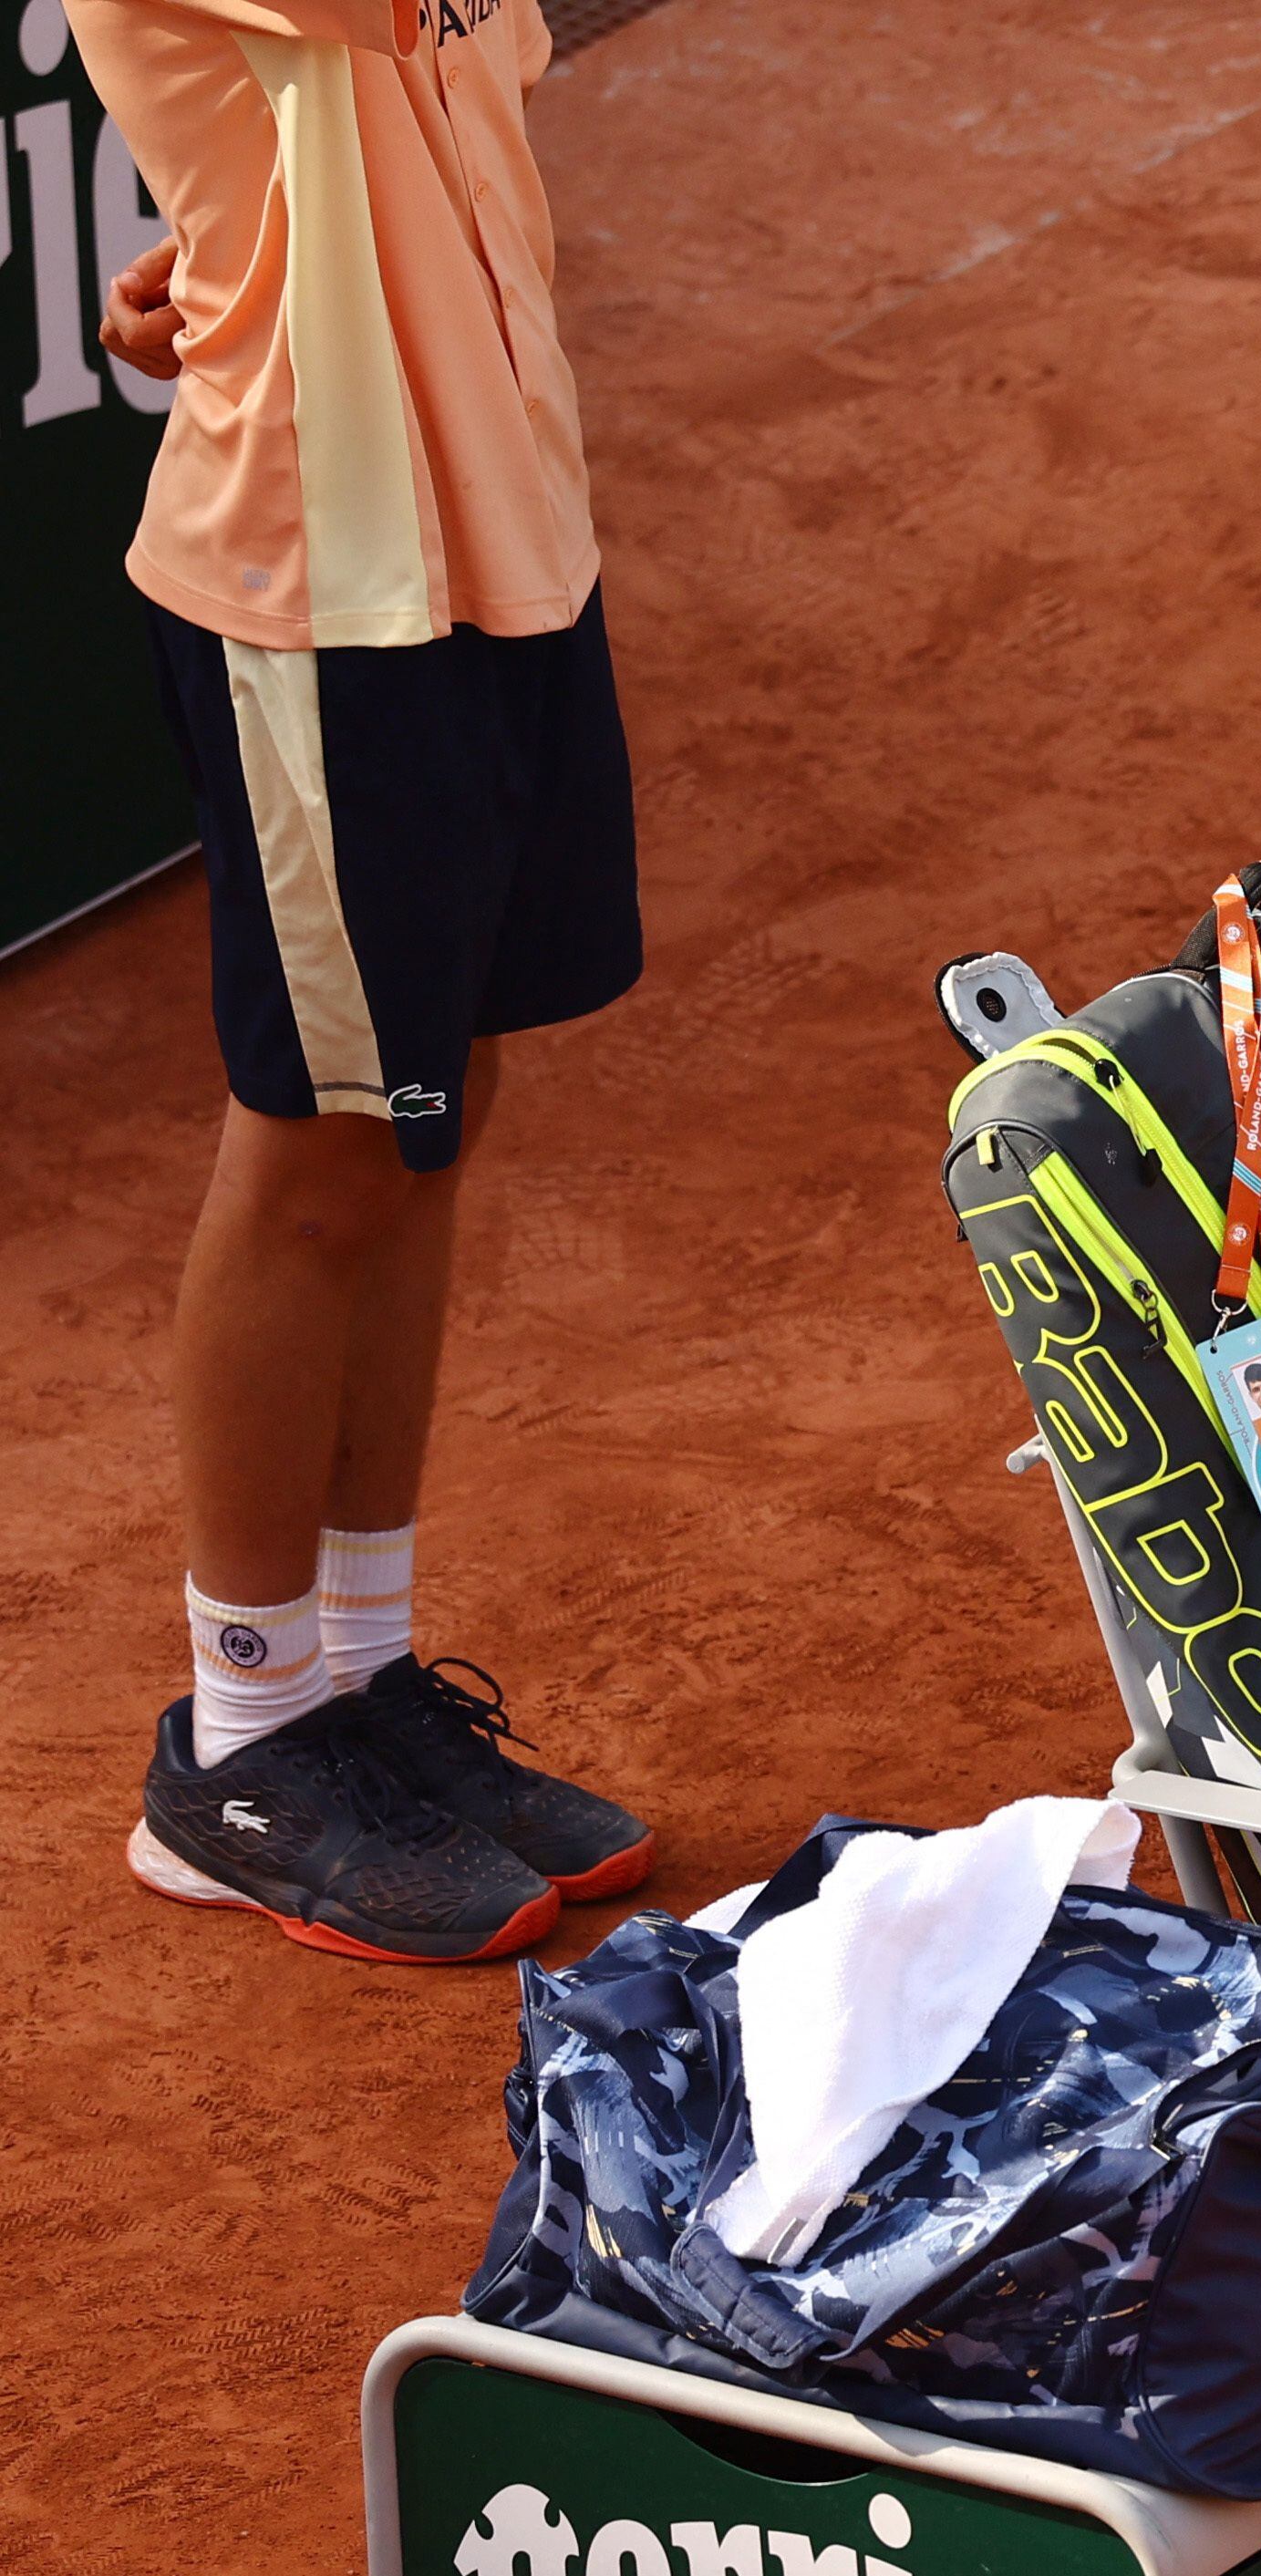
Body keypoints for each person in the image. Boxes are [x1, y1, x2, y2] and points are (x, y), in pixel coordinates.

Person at [80, 0, 652, 1965]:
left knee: (441, 1105)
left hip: (504, 536)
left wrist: (232, 246)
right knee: (325, 1142)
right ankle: (242, 1738)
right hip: (325, 588)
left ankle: (360, 1683)